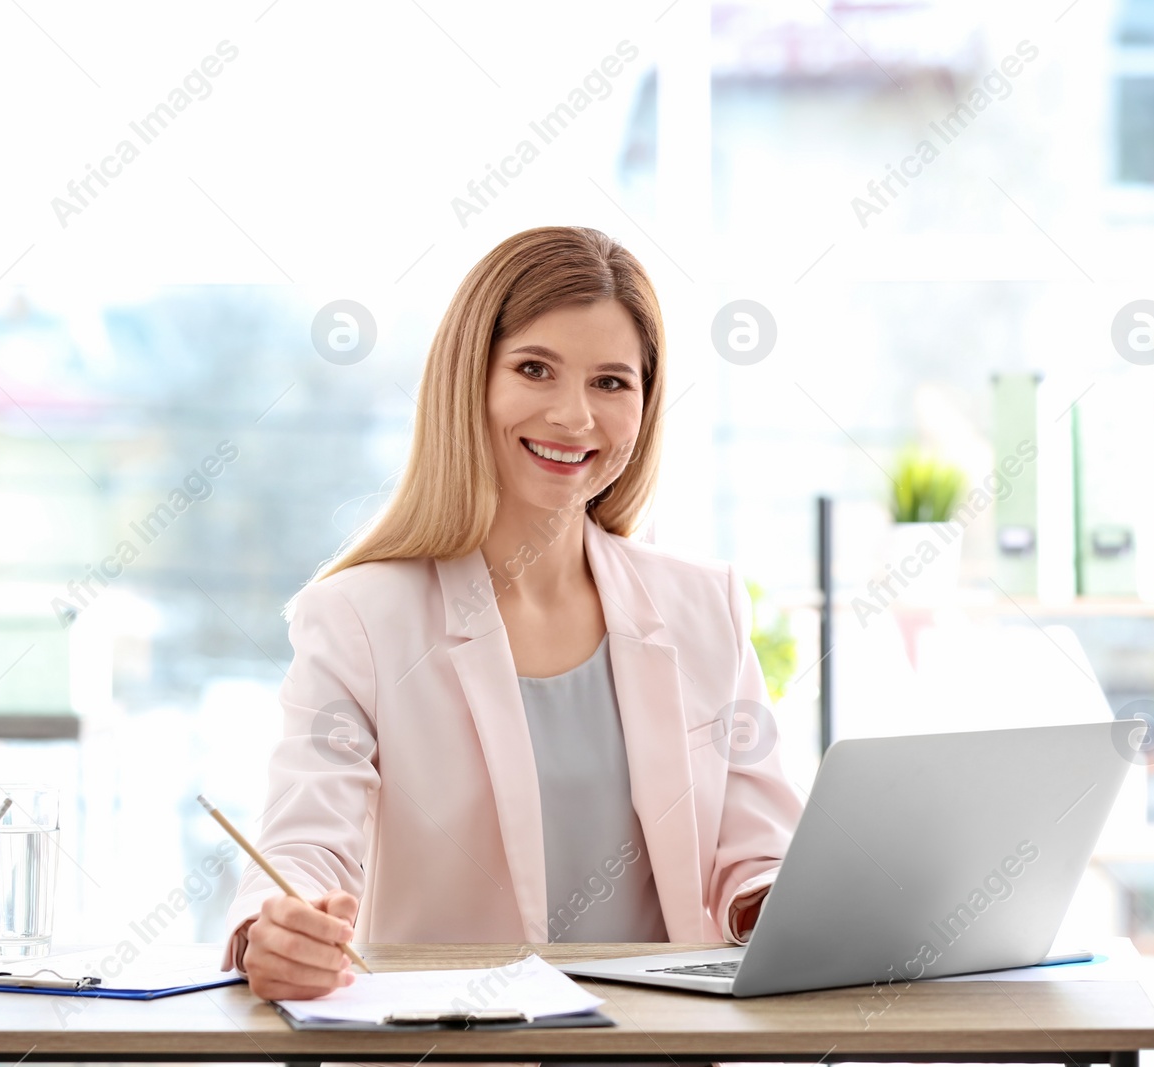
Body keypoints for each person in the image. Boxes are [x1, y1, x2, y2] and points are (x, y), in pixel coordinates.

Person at [220, 225, 804, 1003]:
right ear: (472, 380)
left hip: (667, 1051)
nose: (574, 416)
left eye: (611, 382)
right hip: (458, 1051)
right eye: (536, 369)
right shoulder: (361, 616)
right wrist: (279, 925)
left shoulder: (702, 605)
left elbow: (757, 852)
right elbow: (304, 842)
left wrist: (788, 901)